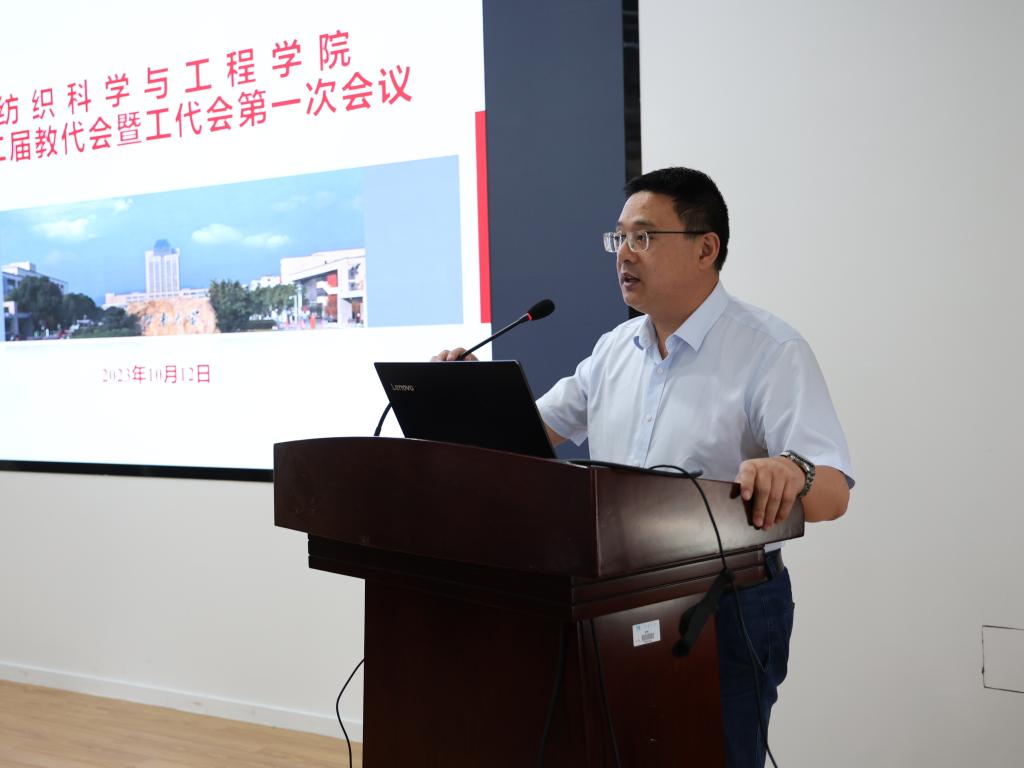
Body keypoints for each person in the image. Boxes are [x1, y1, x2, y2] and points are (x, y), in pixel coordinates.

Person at [434, 166, 853, 767]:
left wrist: (793, 474)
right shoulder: (615, 349)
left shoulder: (770, 350)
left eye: (644, 237)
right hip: (612, 598)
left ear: (706, 248)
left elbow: (832, 490)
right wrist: (468, 397)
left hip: (725, 604)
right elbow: (530, 433)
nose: (624, 254)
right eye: (619, 237)